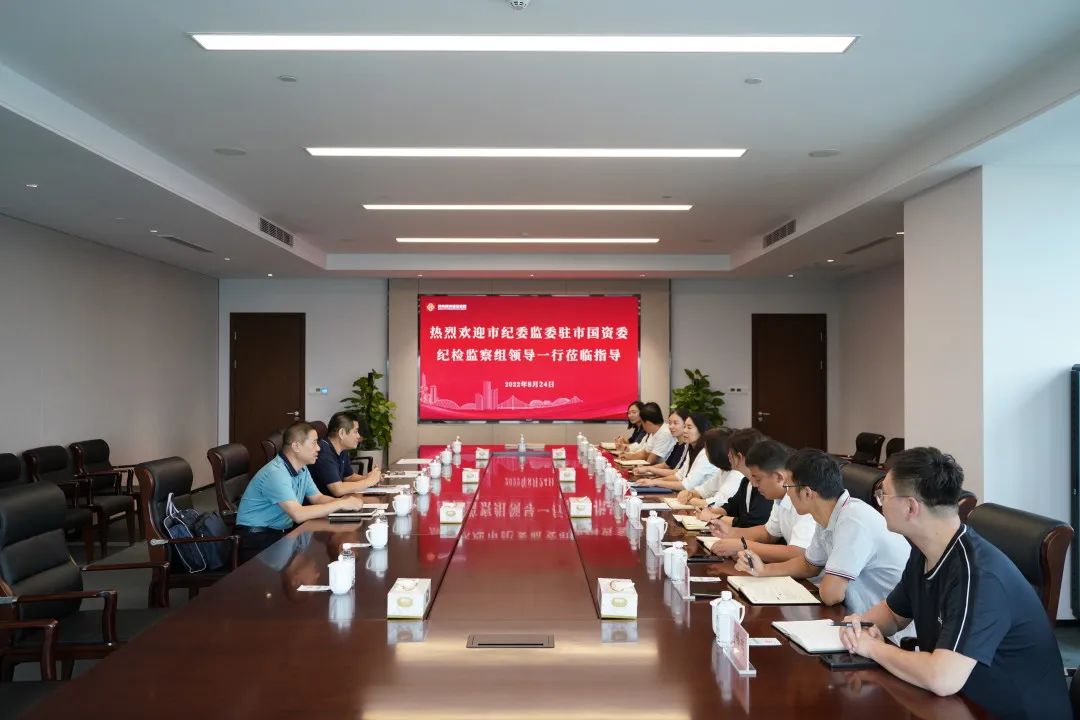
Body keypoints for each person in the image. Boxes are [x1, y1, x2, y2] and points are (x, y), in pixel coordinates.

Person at [839, 448, 1070, 717]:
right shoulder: (925, 551)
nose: (879, 503)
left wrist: (873, 648)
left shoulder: (979, 576)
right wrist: (860, 627)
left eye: (884, 495)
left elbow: (942, 678)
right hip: (958, 705)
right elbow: (893, 614)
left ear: (911, 507)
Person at [734, 448, 910, 614]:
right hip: (858, 617)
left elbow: (831, 595)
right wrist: (764, 569)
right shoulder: (829, 514)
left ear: (807, 493)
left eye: (788, 487)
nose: (787, 494)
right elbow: (809, 565)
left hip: (885, 628)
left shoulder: (854, 520)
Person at [235, 422, 365, 563]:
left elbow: (317, 498)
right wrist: (341, 504)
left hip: (279, 533)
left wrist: (345, 503)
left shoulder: (302, 468)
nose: (319, 448)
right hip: (256, 540)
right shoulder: (276, 473)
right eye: (314, 443)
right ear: (296, 446)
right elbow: (298, 514)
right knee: (316, 559)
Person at [705, 439, 817, 563]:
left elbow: (798, 553)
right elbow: (768, 533)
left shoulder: (804, 498)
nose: (753, 484)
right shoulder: (779, 497)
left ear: (779, 477)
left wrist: (744, 545)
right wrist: (731, 532)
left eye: (758, 479)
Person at [693, 427, 772, 528]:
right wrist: (709, 512)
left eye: (730, 451)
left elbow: (752, 523)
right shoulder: (745, 481)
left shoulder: (765, 485)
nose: (727, 455)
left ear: (739, 457)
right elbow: (731, 507)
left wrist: (713, 517)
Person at [308, 411, 383, 496]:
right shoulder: (323, 452)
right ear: (342, 433)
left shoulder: (342, 449)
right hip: (322, 502)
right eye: (355, 431)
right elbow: (338, 489)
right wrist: (369, 481)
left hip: (335, 501)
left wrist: (369, 478)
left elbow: (349, 477)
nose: (358, 436)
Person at [633, 413, 714, 491]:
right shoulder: (692, 450)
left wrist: (655, 482)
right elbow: (679, 476)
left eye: (689, 427)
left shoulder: (705, 454)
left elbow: (686, 485)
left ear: (701, 430)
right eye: (684, 427)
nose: (685, 430)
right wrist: (653, 481)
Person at [679, 428, 743, 509]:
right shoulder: (723, 471)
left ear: (715, 451)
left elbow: (717, 504)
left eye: (706, 448)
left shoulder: (736, 474)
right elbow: (705, 490)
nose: (704, 451)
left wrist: (692, 500)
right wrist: (690, 494)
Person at [632, 408, 688, 480]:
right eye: (670, 423)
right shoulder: (678, 444)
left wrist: (649, 470)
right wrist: (645, 469)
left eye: (675, 423)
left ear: (685, 425)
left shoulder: (687, 446)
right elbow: (666, 465)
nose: (671, 426)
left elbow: (677, 473)